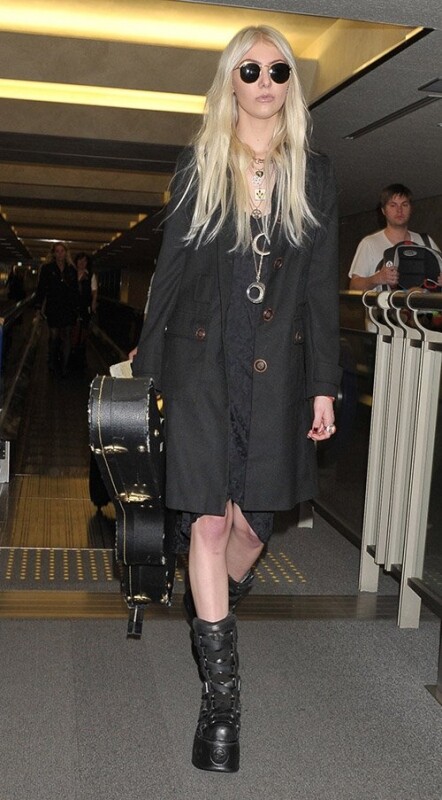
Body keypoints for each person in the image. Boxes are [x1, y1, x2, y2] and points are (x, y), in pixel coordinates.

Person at [131, 25, 342, 773]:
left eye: (277, 69)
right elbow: (172, 267)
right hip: (200, 368)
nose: (263, 81)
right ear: (231, 80)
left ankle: (209, 604)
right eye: (249, 68)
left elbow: (319, 289)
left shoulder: (313, 174)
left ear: (289, 83)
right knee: (209, 528)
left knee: (253, 530)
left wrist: (324, 383)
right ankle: (222, 706)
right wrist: (144, 361)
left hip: (278, 380)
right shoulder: (201, 165)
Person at [348, 184, 441, 292]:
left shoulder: (426, 241)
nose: (399, 210)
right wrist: (378, 278)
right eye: (393, 205)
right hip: (384, 308)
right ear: (383, 210)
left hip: (423, 308)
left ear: (411, 209)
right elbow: (353, 287)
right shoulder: (369, 243)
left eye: (404, 205)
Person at [35, 242, 79, 376]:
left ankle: (64, 366)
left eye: (62, 251)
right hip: (53, 307)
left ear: (66, 253)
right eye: (57, 251)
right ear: (54, 253)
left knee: (66, 335)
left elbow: (75, 290)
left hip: (67, 307)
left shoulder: (71, 269)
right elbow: (41, 288)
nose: (60, 254)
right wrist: (38, 306)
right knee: (54, 336)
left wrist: (76, 309)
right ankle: (53, 361)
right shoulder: (47, 268)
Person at [72, 251, 98, 367]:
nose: (82, 263)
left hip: (84, 306)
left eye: (84, 261)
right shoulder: (71, 274)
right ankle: (70, 353)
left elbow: (94, 292)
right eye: (80, 261)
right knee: (72, 330)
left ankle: (80, 355)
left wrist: (93, 304)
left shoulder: (91, 275)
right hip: (72, 307)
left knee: (83, 330)